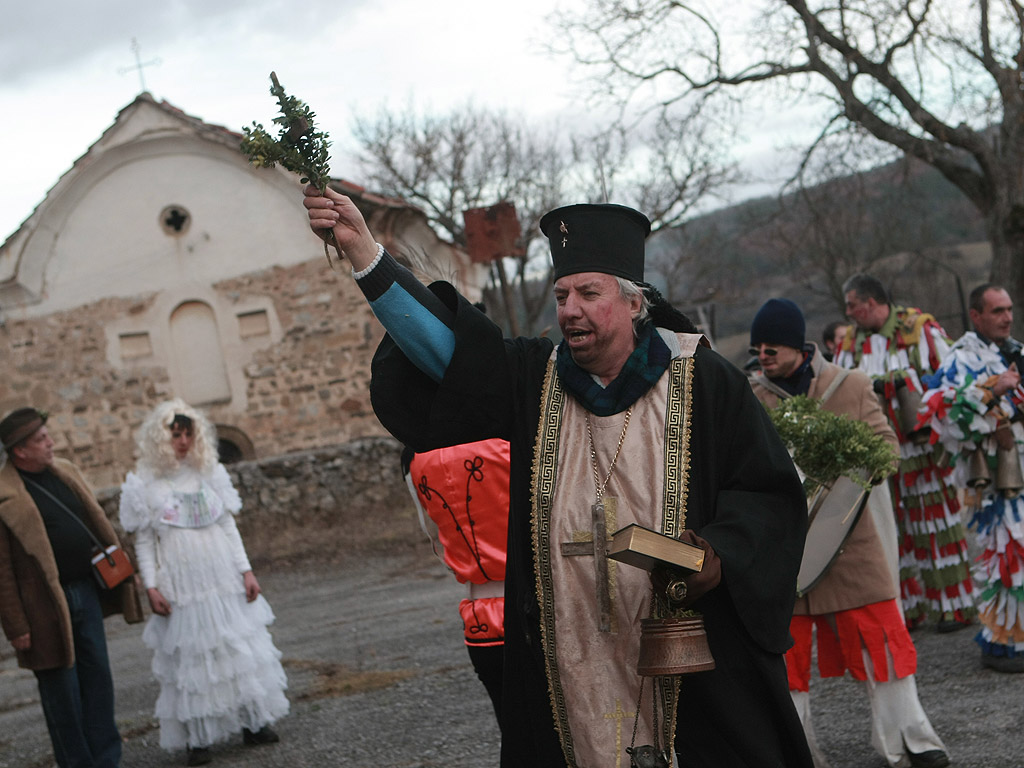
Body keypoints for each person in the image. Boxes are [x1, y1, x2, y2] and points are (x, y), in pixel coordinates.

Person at [305, 188, 813, 768]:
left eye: (588, 293)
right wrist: (364, 252)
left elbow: (766, 495)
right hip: (564, 656)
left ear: (633, 303)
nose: (568, 308)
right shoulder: (533, 379)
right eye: (562, 294)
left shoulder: (702, 379)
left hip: (686, 653)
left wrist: (715, 555)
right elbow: (444, 352)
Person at [748, 299, 950, 768]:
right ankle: (793, 751)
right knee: (785, 661)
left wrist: (846, 462)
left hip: (852, 544)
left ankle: (912, 740)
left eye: (772, 346)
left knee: (887, 645)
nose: (763, 354)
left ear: (799, 346)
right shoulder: (749, 396)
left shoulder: (852, 384)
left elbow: (887, 448)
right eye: (758, 346)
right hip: (787, 555)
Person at [118, 399, 288, 766]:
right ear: (160, 437)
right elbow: (145, 542)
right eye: (174, 434)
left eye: (187, 433)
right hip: (182, 584)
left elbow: (228, 526)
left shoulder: (209, 474)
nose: (182, 441)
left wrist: (246, 571)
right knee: (192, 657)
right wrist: (151, 586)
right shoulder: (145, 486)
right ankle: (199, 738)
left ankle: (253, 723)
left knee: (235, 648)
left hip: (221, 575)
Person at [0, 406, 143, 768]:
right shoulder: (5, 496)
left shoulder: (65, 472)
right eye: (41, 439)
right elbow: (1, 570)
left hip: (85, 591)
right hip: (43, 608)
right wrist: (16, 626)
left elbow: (96, 521)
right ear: (20, 450)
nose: (51, 443)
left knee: (98, 681)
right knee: (62, 694)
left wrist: (124, 567)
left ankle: (107, 760)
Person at [835, 273, 975, 631]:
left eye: (852, 305)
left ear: (870, 303)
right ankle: (906, 608)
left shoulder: (920, 329)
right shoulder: (849, 343)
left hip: (923, 448)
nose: (848, 312)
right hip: (877, 454)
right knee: (889, 529)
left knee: (935, 521)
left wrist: (910, 385)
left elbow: (953, 375)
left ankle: (952, 605)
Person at [919, 284, 1024, 673]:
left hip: (1020, 468)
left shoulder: (1014, 352)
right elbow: (941, 415)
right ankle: (1005, 642)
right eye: (997, 310)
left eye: (1010, 309)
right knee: (1004, 555)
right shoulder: (960, 357)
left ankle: (1014, 635)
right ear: (975, 315)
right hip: (993, 478)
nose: (1007, 317)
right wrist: (990, 391)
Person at [401, 438, 509, 733]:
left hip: (479, 619)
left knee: (513, 733)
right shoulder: (512, 438)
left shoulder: (415, 456)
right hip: (536, 605)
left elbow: (435, 535)